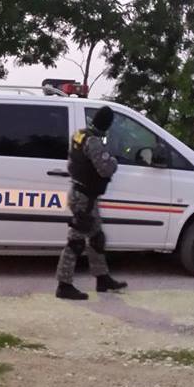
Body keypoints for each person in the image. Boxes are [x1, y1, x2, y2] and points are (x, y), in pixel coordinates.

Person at [56, 105, 128, 300]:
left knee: (96, 237)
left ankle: (102, 278)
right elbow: (105, 169)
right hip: (83, 198)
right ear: (107, 124)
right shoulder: (93, 141)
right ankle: (64, 285)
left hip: (82, 194)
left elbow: (76, 161)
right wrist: (113, 161)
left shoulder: (79, 135)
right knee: (76, 241)